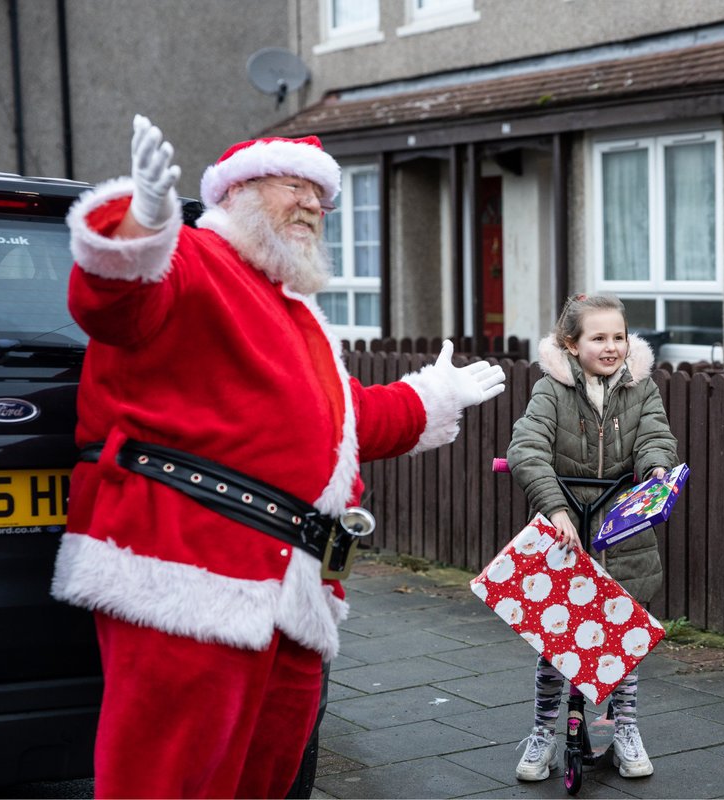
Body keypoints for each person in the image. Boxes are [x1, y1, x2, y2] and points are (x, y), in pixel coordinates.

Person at [52, 115, 505, 798]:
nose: (312, 206)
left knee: (265, 783)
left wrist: (432, 397)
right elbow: (112, 302)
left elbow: (342, 422)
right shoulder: (194, 260)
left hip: (292, 597)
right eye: (293, 186)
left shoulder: (292, 312)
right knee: (168, 781)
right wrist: (142, 221)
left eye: (320, 195)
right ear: (234, 194)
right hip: (188, 577)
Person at [506, 293, 678, 781]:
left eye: (618, 337)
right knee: (554, 640)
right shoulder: (551, 391)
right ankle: (542, 732)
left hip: (623, 532)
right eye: (598, 337)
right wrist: (555, 507)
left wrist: (654, 469)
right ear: (571, 343)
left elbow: (654, 436)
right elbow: (527, 448)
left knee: (624, 638)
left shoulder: (641, 388)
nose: (611, 347)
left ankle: (625, 729)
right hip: (566, 534)